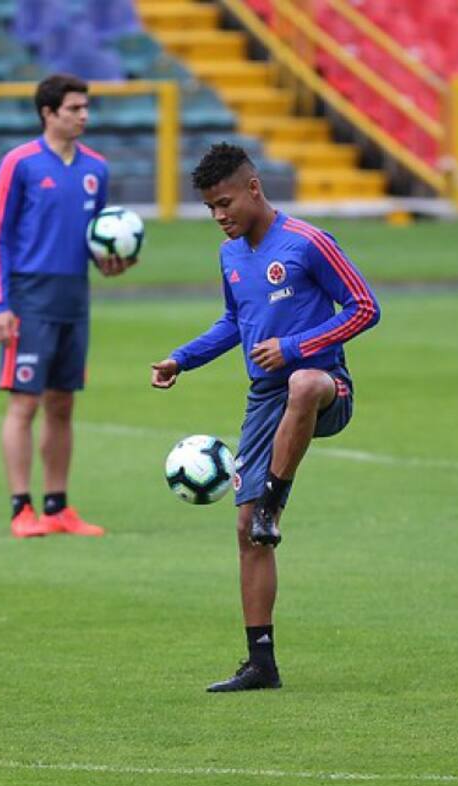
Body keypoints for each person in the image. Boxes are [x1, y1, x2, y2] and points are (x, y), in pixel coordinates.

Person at [150, 142, 380, 692]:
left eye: (225, 203)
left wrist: (295, 347)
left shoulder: (308, 242)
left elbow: (365, 308)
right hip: (264, 400)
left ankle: (273, 501)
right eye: (210, 207)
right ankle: (261, 663)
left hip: (325, 387)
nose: (218, 215)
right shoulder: (230, 256)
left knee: (302, 384)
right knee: (246, 533)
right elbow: (235, 322)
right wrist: (182, 358)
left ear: (253, 188)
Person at [0, 73, 137, 540]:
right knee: (24, 403)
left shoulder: (97, 168)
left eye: (86, 107)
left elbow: (97, 237)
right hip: (29, 298)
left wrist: (110, 262)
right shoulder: (21, 163)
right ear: (48, 113)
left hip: (74, 297)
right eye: (74, 108)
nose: (83, 115)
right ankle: (21, 508)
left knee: (63, 403)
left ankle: (57, 506)